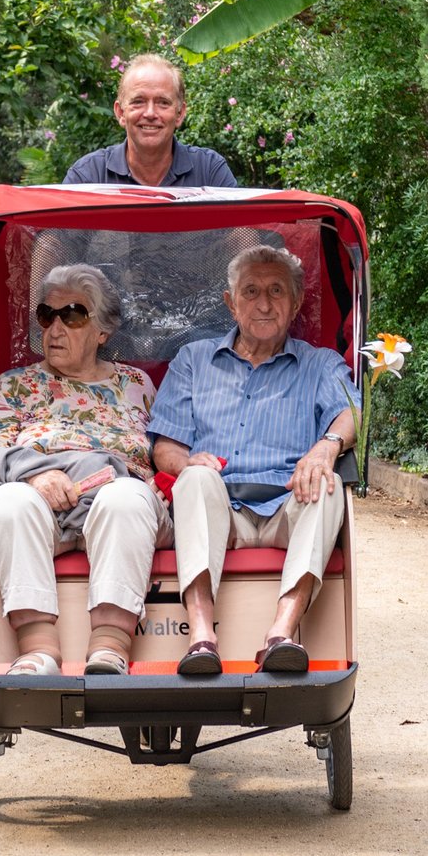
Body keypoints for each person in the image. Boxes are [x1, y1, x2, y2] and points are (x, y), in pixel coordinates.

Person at [147, 245, 356, 676]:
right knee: (194, 478)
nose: (263, 303)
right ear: (231, 302)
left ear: (296, 302)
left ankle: (280, 634)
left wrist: (326, 446)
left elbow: (353, 412)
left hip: (286, 504)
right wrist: (189, 461)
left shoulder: (319, 363)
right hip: (219, 509)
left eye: (277, 291)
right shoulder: (194, 360)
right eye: (251, 291)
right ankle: (202, 636)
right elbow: (163, 447)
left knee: (329, 483)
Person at [0, 264, 167, 676]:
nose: (56, 328)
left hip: (119, 493)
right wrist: (35, 475)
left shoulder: (137, 384)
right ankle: (38, 649)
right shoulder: (14, 385)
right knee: (9, 501)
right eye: (47, 315)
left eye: (73, 315)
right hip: (37, 497)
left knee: (126, 499)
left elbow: (164, 449)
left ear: (102, 331)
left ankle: (110, 645)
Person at [62, 54, 238, 188]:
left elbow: (246, 233)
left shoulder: (209, 171)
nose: (150, 113)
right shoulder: (88, 176)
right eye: (138, 102)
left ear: (180, 113)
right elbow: (51, 236)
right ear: (120, 112)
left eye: (163, 102)